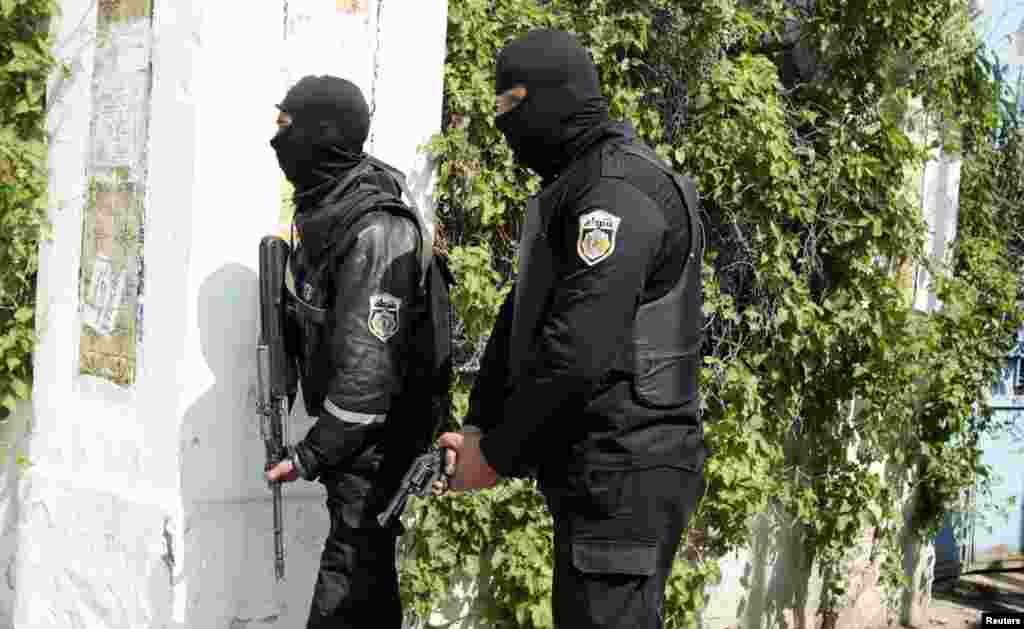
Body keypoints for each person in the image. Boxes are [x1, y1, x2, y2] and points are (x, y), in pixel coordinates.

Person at [436, 29, 707, 629]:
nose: (505, 126)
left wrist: (499, 455)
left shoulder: (615, 193)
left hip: (626, 471)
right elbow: (523, 316)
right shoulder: (578, 188)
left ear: (556, 98)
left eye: (513, 107)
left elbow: (577, 349)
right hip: (601, 470)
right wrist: (481, 425)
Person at [263, 74, 452, 629]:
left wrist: (308, 455)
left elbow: (367, 383)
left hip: (376, 445)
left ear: (322, 137)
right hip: (358, 444)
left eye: (287, 127)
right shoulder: (330, 202)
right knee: (366, 585)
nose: (278, 141)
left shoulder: (373, 230)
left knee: (347, 587)